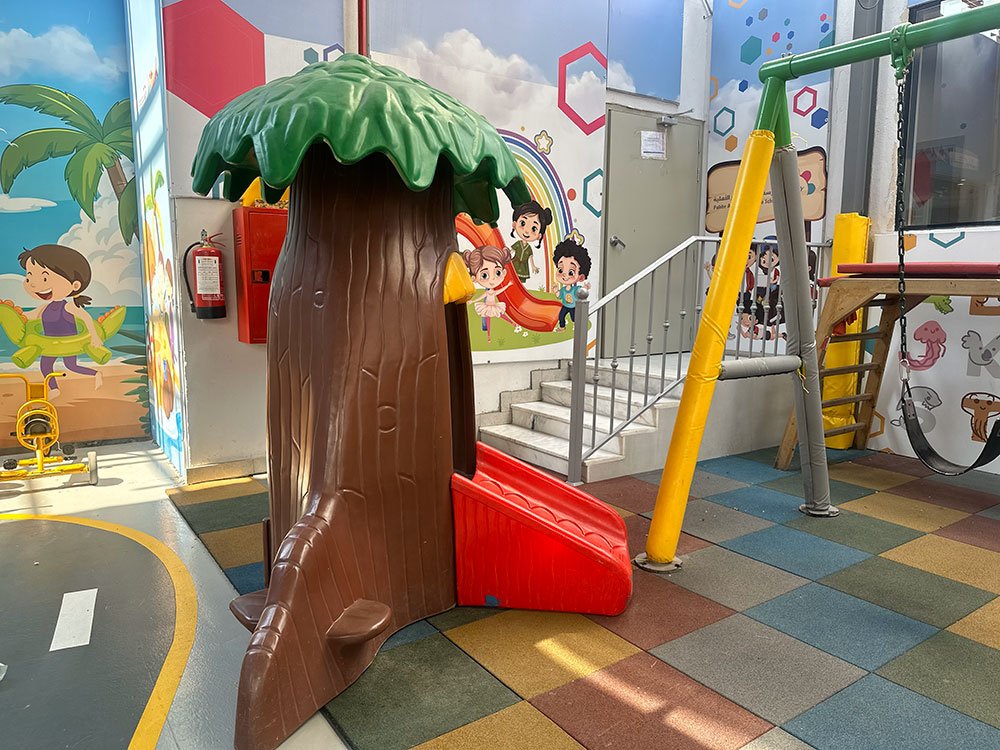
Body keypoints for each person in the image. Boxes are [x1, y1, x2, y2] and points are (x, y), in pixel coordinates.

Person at [19, 244, 103, 397]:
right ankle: (54, 389)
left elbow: (86, 318)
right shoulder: (44, 308)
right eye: (29, 277)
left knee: (71, 366)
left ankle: (96, 374)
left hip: (68, 343)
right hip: (50, 343)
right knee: (45, 366)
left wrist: (94, 336)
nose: (32, 283)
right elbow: (28, 315)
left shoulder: (69, 306)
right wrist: (13, 313)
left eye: (45, 278)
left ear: (75, 285)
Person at [463, 245, 527, 342]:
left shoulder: (492, 291)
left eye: (497, 273)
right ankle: (489, 336)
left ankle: (512, 323)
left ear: (503, 272)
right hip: (487, 307)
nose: (492, 279)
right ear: (474, 278)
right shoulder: (487, 292)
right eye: (484, 275)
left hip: (494, 306)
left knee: (501, 315)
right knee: (488, 319)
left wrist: (508, 285)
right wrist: (472, 301)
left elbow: (500, 290)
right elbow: (481, 297)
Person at [552, 238, 591, 331]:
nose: (564, 275)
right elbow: (559, 296)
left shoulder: (575, 289)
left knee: (574, 318)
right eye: (560, 270)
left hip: (573, 307)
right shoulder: (563, 290)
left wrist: (585, 287)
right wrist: (556, 290)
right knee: (561, 316)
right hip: (565, 306)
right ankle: (562, 327)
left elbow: (581, 292)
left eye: (570, 272)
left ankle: (579, 326)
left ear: (581, 277)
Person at [509, 201, 552, 284]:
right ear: (514, 224)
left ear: (539, 235)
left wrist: (533, 267)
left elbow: (530, 258)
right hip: (515, 263)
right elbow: (512, 251)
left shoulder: (528, 248)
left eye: (534, 228)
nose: (526, 231)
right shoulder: (518, 244)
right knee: (512, 277)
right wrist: (506, 257)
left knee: (520, 282)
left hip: (524, 267)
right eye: (523, 223)